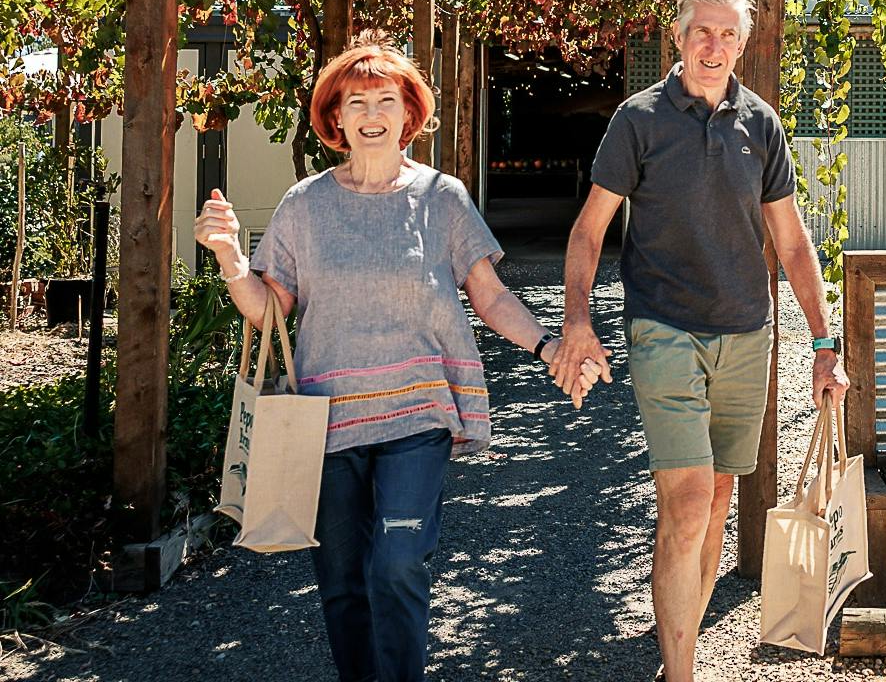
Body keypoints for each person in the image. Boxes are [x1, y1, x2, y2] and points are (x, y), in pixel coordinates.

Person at [194, 34, 602, 682]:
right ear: (335, 119)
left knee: (398, 561)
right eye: (356, 101)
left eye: (386, 98)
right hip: (326, 421)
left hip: (418, 412)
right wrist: (229, 259)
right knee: (341, 580)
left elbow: (490, 297)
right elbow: (269, 310)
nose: (371, 112)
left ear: (408, 114)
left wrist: (550, 345)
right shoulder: (304, 206)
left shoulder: (442, 198)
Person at [550, 0, 849, 682]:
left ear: (743, 45)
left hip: (748, 332)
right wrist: (576, 320)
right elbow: (590, 231)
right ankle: (681, 673)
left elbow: (794, 242)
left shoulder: (760, 124)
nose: (714, 46)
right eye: (701, 32)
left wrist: (824, 343)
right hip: (665, 329)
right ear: (679, 37)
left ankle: (676, 658)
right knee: (684, 504)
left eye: (728, 35)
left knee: (716, 500)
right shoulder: (639, 119)